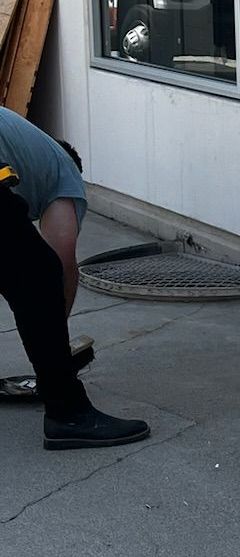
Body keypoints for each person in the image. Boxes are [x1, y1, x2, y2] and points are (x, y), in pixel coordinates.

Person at [0, 107, 149, 450]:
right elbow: (62, 261)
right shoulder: (64, 173)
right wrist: (54, 345)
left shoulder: (23, 147)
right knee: (39, 273)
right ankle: (69, 413)